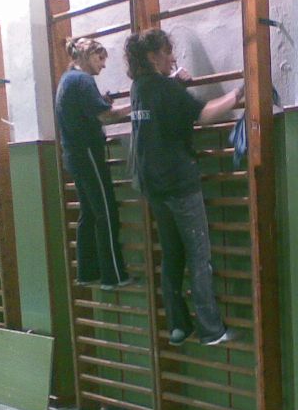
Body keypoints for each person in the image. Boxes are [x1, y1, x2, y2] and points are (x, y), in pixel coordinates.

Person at [125, 28, 243, 347]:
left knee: (172, 255)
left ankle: (178, 325)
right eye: (167, 52)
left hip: (153, 187)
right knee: (199, 256)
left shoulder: (139, 87)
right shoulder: (164, 88)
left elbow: (161, 108)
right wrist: (237, 95)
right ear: (153, 56)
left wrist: (176, 82)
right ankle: (211, 329)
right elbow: (203, 114)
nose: (173, 57)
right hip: (179, 184)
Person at [55, 37, 133, 291]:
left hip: (74, 155)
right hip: (87, 153)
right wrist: (136, 103)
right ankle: (113, 276)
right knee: (106, 212)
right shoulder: (82, 80)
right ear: (88, 56)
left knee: (89, 213)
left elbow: (89, 112)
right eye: (100, 59)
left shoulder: (67, 79)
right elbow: (106, 116)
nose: (103, 65)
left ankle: (87, 272)